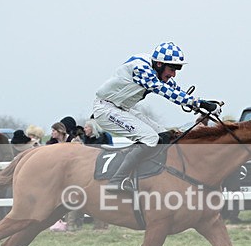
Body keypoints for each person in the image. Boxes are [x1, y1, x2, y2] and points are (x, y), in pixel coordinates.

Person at [92, 41, 220, 193]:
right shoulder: (142, 69)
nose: (174, 74)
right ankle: (116, 181)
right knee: (151, 139)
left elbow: (173, 88)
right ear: (159, 64)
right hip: (106, 109)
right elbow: (164, 90)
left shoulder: (154, 67)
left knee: (163, 135)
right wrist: (201, 103)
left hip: (122, 108)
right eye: (172, 69)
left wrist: (199, 104)